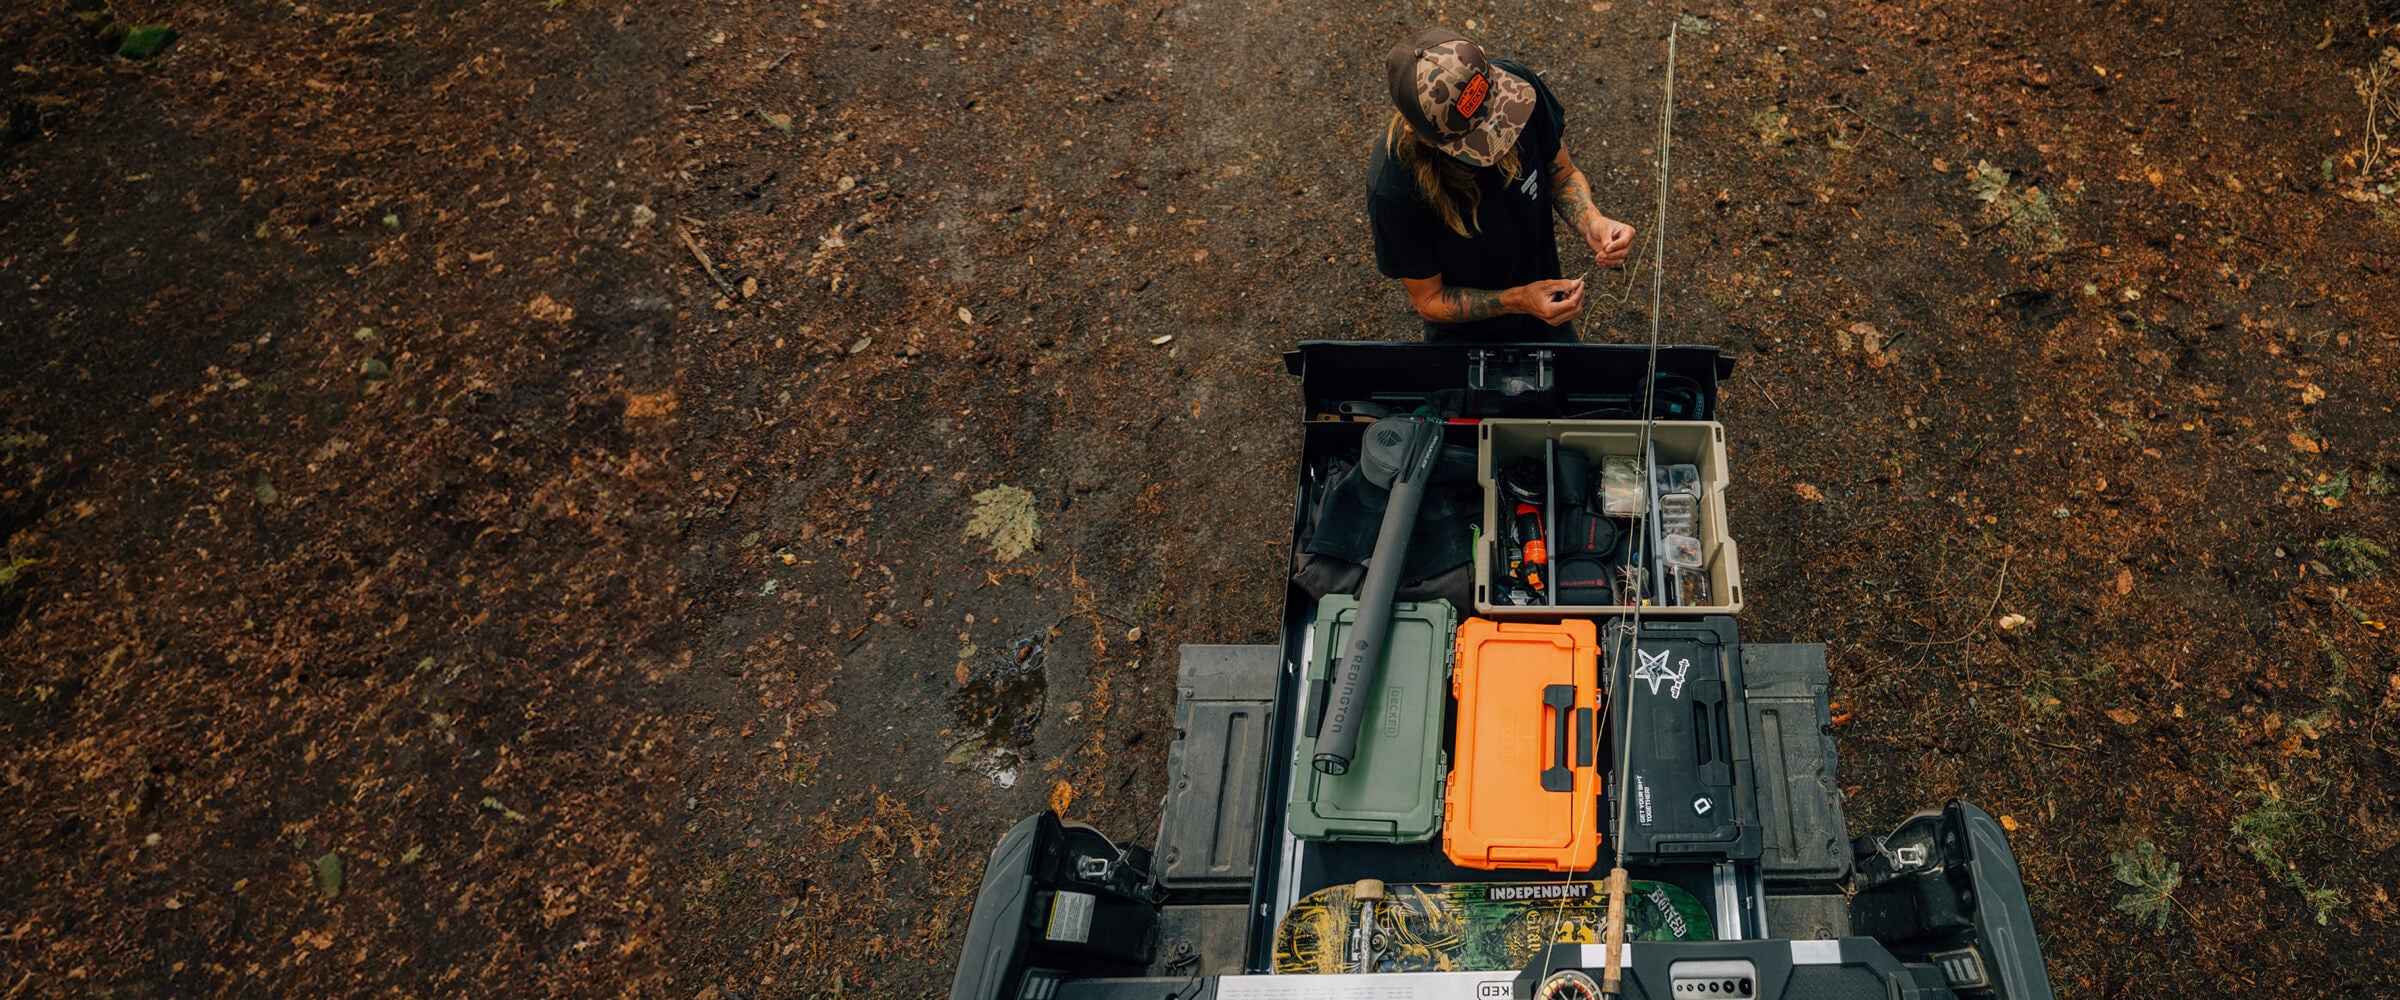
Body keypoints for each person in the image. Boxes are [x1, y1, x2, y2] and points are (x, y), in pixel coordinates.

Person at [1368, 28, 1637, 342]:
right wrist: (1519, 299)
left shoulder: (1519, 88)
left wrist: (1592, 222)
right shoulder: (1394, 189)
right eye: (1471, 140)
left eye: (1497, 113)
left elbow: (1562, 176)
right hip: (1464, 338)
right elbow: (1429, 299)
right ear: (1414, 129)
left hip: (1546, 307)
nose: (1497, 135)